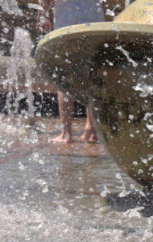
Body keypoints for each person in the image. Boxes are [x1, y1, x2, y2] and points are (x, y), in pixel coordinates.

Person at [36, 0, 104, 143]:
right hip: (94, 20)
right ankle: (91, 130)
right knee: (92, 74)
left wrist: (43, 16)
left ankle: (66, 133)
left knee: (64, 75)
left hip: (68, 21)